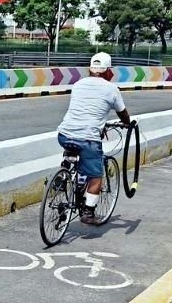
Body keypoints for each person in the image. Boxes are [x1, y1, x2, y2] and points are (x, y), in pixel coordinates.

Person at [56, 52, 131, 224]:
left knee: (75, 151)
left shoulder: (78, 84)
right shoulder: (111, 89)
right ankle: (88, 212)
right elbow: (123, 113)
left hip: (64, 134)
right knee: (96, 175)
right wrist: (127, 123)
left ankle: (65, 170)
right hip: (88, 139)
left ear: (90, 69)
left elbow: (85, 110)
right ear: (108, 71)